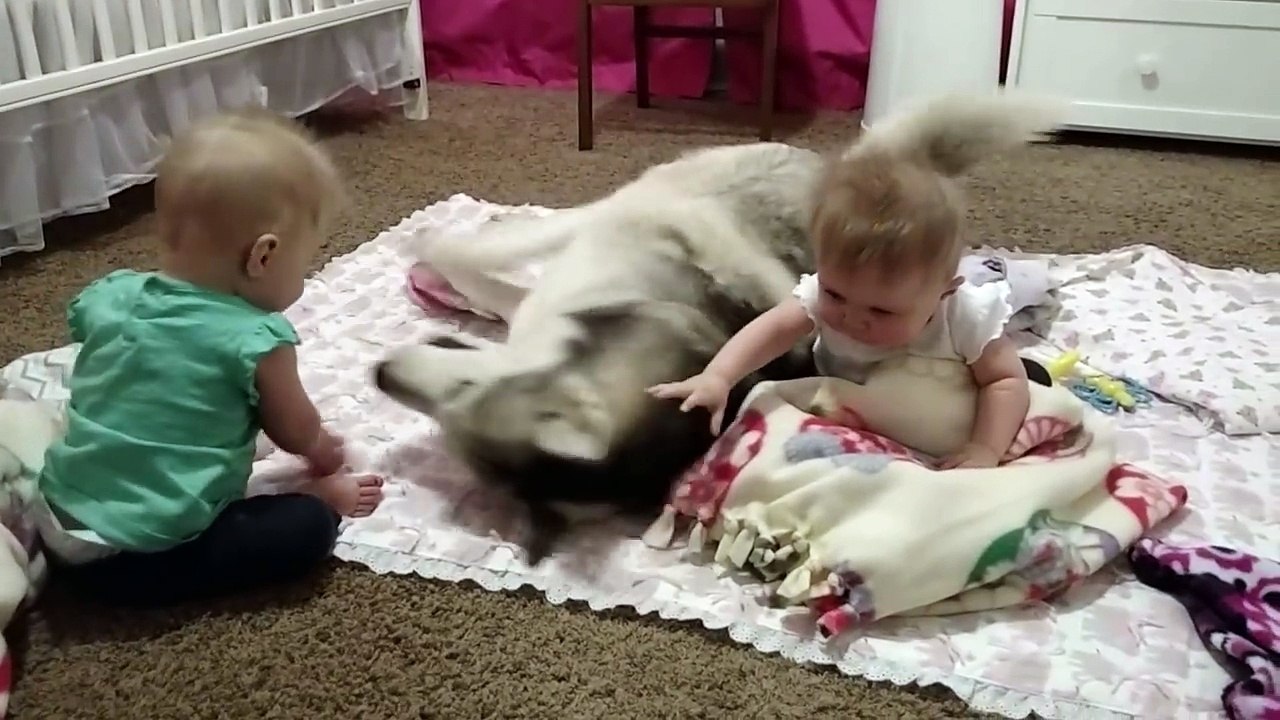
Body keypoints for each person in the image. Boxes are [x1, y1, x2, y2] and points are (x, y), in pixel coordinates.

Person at [31, 109, 384, 606]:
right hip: (140, 556)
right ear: (263, 257)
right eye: (305, 260)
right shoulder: (257, 339)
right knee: (307, 529)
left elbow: (112, 347)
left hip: (59, 519)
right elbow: (296, 432)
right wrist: (325, 454)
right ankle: (316, 503)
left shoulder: (111, 294)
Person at [648, 148, 1030, 470]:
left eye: (881, 312)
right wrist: (718, 376)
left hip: (932, 409)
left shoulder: (966, 318)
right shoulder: (825, 294)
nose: (851, 318)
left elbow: (1005, 381)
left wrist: (985, 448)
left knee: (1024, 379)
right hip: (850, 402)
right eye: (835, 295)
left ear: (945, 292)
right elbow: (773, 329)